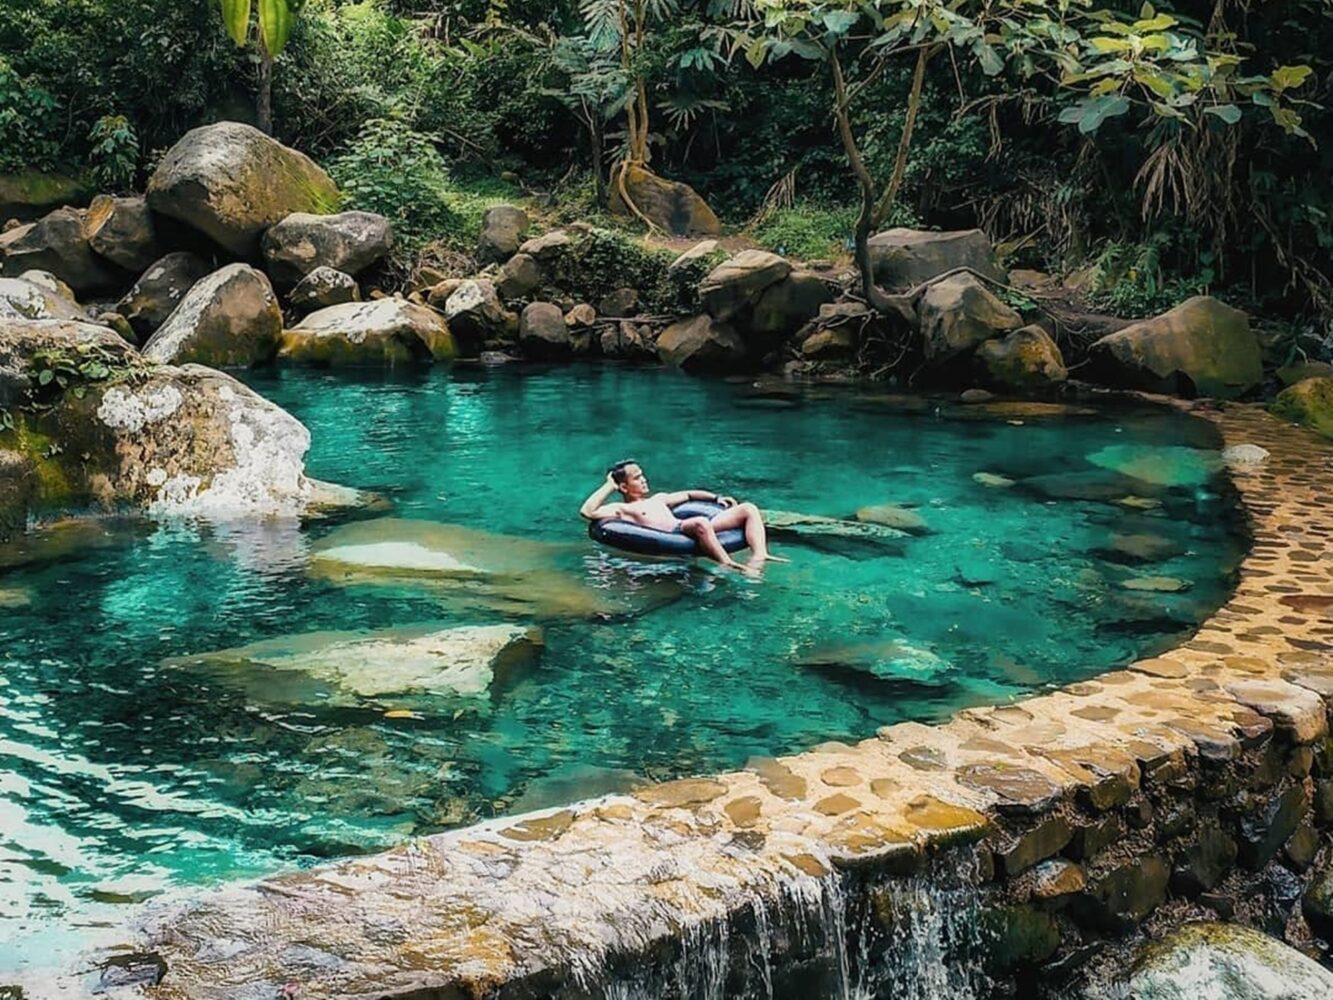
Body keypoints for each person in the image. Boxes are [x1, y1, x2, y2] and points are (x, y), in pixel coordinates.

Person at [579, 459, 785, 571]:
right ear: (623, 486)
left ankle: (759, 555)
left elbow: (688, 494)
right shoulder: (622, 509)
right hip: (677, 532)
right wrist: (609, 485)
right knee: (700, 522)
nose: (644, 480)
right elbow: (587, 511)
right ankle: (726, 562)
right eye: (637, 478)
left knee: (748, 508)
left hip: (682, 526)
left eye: (643, 475)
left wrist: (716, 498)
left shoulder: (658, 498)